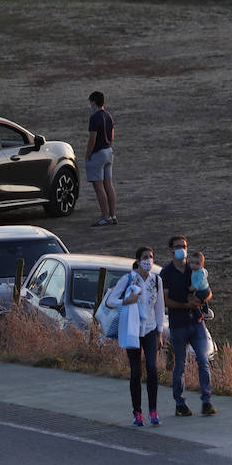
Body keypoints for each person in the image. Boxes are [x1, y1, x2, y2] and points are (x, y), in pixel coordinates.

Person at [108, 245, 165, 426]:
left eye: (151, 256)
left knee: (152, 367)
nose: (148, 260)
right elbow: (110, 301)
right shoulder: (128, 279)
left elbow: (159, 307)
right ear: (138, 261)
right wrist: (126, 301)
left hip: (149, 329)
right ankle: (137, 412)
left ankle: (153, 410)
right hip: (132, 329)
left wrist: (160, 333)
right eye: (145, 257)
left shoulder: (156, 280)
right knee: (136, 371)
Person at [161, 233, 214, 416]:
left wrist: (201, 300)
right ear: (171, 250)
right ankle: (180, 403)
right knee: (180, 364)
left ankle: (206, 401)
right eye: (177, 246)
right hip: (178, 324)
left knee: (202, 359)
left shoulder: (194, 268)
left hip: (197, 322)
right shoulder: (166, 273)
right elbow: (165, 301)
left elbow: (208, 292)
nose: (181, 250)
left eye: (184, 246)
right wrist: (186, 305)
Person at [87, 91, 116, 226]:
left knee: (99, 187)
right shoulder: (108, 116)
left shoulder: (94, 118)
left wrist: (88, 154)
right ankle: (113, 214)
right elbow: (112, 136)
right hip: (108, 151)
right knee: (108, 185)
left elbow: (92, 139)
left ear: (94, 102)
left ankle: (105, 216)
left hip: (98, 153)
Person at [188, 250, 213, 321]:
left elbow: (199, 281)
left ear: (202, 265)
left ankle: (199, 316)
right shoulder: (201, 270)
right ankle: (206, 311)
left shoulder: (199, 272)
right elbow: (206, 273)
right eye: (192, 263)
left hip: (202, 290)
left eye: (197, 263)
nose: (194, 265)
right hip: (206, 289)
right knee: (203, 301)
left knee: (194, 303)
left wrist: (193, 287)